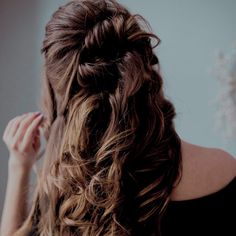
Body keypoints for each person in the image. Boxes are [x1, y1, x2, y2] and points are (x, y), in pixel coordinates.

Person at [1, 0, 236, 235]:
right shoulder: (222, 170)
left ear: (59, 92)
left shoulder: (61, 192)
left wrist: (19, 166)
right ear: (146, 74)